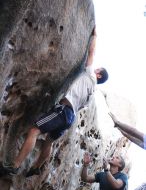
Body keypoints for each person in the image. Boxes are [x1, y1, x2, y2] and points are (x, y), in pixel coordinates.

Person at [0, 27, 109, 177]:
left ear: (98, 73)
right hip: (69, 118)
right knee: (49, 141)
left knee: (34, 130)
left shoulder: (90, 75)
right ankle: (37, 166)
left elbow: (92, 52)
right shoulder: (91, 93)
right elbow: (81, 106)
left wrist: (95, 35)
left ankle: (15, 165)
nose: (94, 68)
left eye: (97, 68)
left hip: (63, 111)